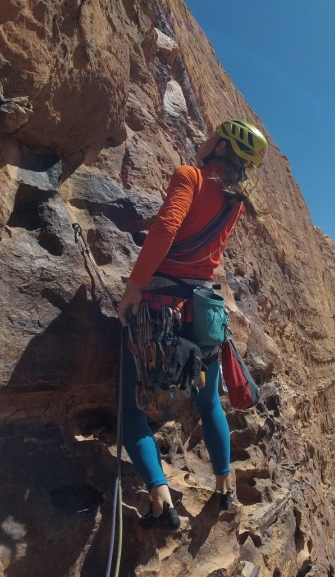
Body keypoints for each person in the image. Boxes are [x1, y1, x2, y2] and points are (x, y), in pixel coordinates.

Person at [117, 119, 269, 530]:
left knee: (130, 410)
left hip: (160, 310)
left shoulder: (191, 177)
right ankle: (224, 487)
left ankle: (161, 501)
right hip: (205, 314)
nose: (204, 140)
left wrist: (134, 287)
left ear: (220, 146)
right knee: (208, 403)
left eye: (211, 136)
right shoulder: (234, 201)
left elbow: (167, 228)